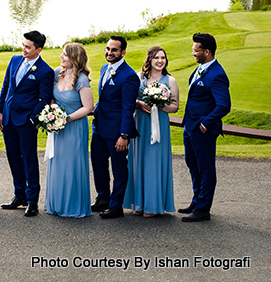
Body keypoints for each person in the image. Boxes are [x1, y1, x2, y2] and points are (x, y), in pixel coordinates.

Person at [0, 30, 54, 217]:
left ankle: (32, 201)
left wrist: (32, 118)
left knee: (29, 160)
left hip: (26, 121)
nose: (24, 49)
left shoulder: (45, 71)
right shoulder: (14, 60)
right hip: (8, 117)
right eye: (23, 45)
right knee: (13, 157)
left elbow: (44, 99)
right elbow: (6, 86)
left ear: (38, 49)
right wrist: (0, 112)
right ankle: (19, 195)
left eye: (28, 47)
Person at [180, 33, 231, 222]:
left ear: (207, 52)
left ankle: (203, 209)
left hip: (203, 130)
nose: (192, 53)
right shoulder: (200, 68)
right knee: (192, 164)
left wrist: (205, 123)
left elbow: (224, 105)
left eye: (195, 50)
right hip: (190, 127)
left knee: (206, 168)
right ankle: (197, 200)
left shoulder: (218, 75)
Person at [123, 46, 179, 217]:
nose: (160, 61)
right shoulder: (139, 77)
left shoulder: (170, 81)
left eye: (163, 57)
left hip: (158, 127)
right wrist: (140, 103)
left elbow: (175, 107)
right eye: (156, 58)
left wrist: (159, 103)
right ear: (149, 59)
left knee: (154, 162)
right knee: (138, 161)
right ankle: (139, 203)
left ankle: (153, 205)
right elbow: (130, 98)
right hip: (140, 124)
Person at [90, 35, 139, 219]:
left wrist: (124, 134)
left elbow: (128, 107)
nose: (109, 53)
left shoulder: (129, 76)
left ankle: (116, 205)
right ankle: (103, 198)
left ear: (123, 52)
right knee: (98, 163)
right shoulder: (104, 68)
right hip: (99, 127)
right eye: (107, 49)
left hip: (117, 130)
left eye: (114, 50)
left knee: (118, 168)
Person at [44, 43, 94, 218]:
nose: (61, 57)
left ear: (74, 58)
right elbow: (52, 98)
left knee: (71, 165)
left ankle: (73, 205)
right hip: (58, 127)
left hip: (75, 127)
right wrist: (51, 114)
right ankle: (57, 202)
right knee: (58, 163)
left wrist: (66, 119)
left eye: (65, 55)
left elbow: (88, 107)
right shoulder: (58, 72)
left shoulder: (82, 79)